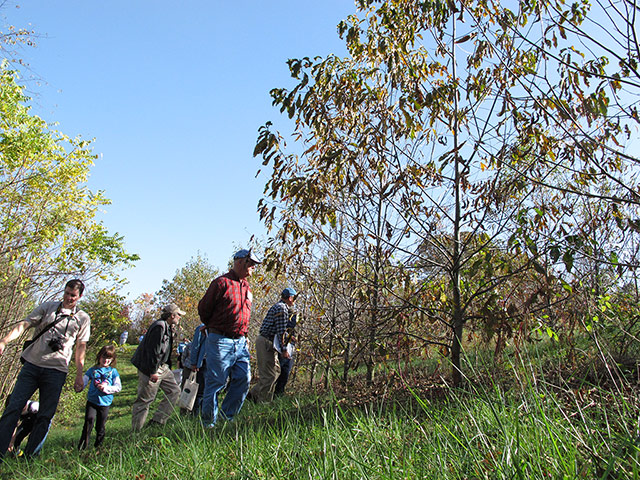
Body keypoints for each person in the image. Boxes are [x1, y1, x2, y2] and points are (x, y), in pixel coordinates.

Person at [0, 279, 90, 458]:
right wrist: (4, 340)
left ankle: (30, 457)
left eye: (73, 295)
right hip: (32, 366)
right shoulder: (48, 307)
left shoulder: (82, 318)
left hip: (56, 371)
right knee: (13, 408)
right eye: (66, 293)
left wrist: (79, 375)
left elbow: (81, 347)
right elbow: (24, 325)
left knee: (45, 416)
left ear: (79, 296)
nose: (68, 298)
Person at [198, 248, 261, 427]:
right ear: (241, 262)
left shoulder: (247, 287)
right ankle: (209, 424)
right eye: (252, 265)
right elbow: (204, 309)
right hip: (220, 340)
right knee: (216, 382)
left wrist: (244, 334)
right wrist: (215, 328)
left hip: (241, 342)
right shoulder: (221, 283)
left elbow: (244, 314)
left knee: (243, 379)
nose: (253, 269)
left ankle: (227, 418)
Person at [130, 303, 184, 431]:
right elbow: (153, 351)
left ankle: (157, 421)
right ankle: (136, 431)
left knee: (174, 391)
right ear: (172, 315)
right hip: (150, 368)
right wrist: (153, 371)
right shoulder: (159, 327)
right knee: (145, 399)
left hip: (163, 367)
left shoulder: (168, 327)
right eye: (178, 315)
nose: (180, 317)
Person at [249, 288, 297, 402]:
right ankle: (263, 402)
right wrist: (285, 350)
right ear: (290, 298)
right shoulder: (282, 309)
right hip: (266, 342)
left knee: (275, 371)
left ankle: (252, 395)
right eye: (294, 298)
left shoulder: (280, 307)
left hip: (268, 343)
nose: (295, 301)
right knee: (269, 376)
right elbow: (281, 332)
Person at [78, 345, 121, 450]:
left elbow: (118, 387)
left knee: (100, 426)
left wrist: (106, 388)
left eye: (109, 358)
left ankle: (98, 447)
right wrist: (79, 387)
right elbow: (83, 381)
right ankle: (82, 447)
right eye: (104, 357)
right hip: (92, 401)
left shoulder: (113, 372)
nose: (105, 360)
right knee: (89, 421)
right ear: (99, 357)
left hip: (105, 403)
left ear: (112, 360)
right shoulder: (92, 370)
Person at [180, 323, 207, 414]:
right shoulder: (202, 328)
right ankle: (194, 413)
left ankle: (204, 412)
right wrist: (194, 363)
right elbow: (196, 346)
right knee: (198, 390)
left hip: (213, 363)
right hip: (203, 363)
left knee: (207, 390)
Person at [274, 312, 298, 396]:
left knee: (285, 370)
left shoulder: (294, 315)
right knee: (284, 370)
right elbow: (283, 331)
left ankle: (279, 392)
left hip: (289, 346)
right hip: (285, 347)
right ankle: (277, 393)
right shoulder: (284, 313)